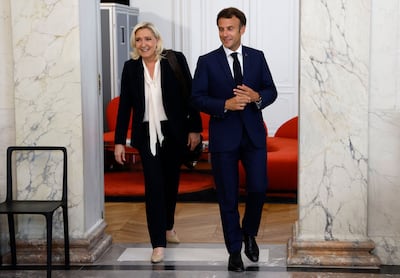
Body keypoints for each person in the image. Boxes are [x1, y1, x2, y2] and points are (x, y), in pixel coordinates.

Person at [191, 7, 278, 272]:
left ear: (242, 29)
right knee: (227, 196)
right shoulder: (207, 61)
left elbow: (270, 90)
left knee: (259, 188)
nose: (224, 34)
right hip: (223, 138)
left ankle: (249, 233)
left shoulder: (257, 57)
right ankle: (233, 250)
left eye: (230, 28)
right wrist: (224, 104)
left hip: (253, 136)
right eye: (221, 28)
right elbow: (196, 98)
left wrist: (256, 97)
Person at [114, 22, 202, 264]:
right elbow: (125, 107)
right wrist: (120, 141)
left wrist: (195, 129)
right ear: (135, 44)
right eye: (139, 40)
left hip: (174, 133)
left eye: (148, 39)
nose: (144, 44)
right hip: (146, 135)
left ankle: (168, 226)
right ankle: (158, 243)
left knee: (170, 183)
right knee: (154, 186)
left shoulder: (174, 61)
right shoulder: (130, 68)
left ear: (157, 40)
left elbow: (190, 95)